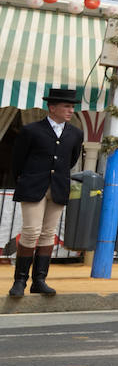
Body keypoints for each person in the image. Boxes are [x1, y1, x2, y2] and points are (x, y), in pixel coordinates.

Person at [9, 87, 84, 297]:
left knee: (48, 234)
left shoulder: (76, 133)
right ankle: (20, 281)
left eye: (72, 107)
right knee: (31, 231)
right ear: (52, 107)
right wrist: (25, 180)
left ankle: (39, 280)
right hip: (33, 186)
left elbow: (71, 160)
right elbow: (18, 160)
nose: (71, 110)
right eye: (66, 106)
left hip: (58, 187)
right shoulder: (31, 130)